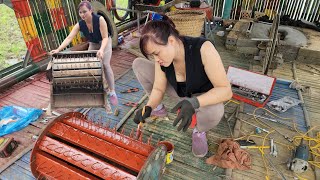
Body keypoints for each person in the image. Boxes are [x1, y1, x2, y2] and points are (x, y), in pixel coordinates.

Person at [132, 15, 233, 157]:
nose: (156, 60)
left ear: (171, 41)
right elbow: (159, 88)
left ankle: (199, 131)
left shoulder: (204, 49)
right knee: (138, 64)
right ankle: (159, 109)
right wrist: (149, 107)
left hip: (201, 96)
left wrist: (194, 102)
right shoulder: (162, 58)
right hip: (178, 91)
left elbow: (226, 91)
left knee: (216, 110)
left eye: (157, 53)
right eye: (153, 56)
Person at [49, 1, 118, 107]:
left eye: (85, 11)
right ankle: (99, 88)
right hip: (93, 43)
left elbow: (104, 38)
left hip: (104, 42)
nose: (82, 14)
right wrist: (58, 49)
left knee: (105, 64)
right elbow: (69, 38)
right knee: (89, 64)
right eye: (80, 12)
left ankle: (112, 92)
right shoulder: (80, 24)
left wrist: (102, 50)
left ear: (91, 10)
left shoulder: (100, 19)